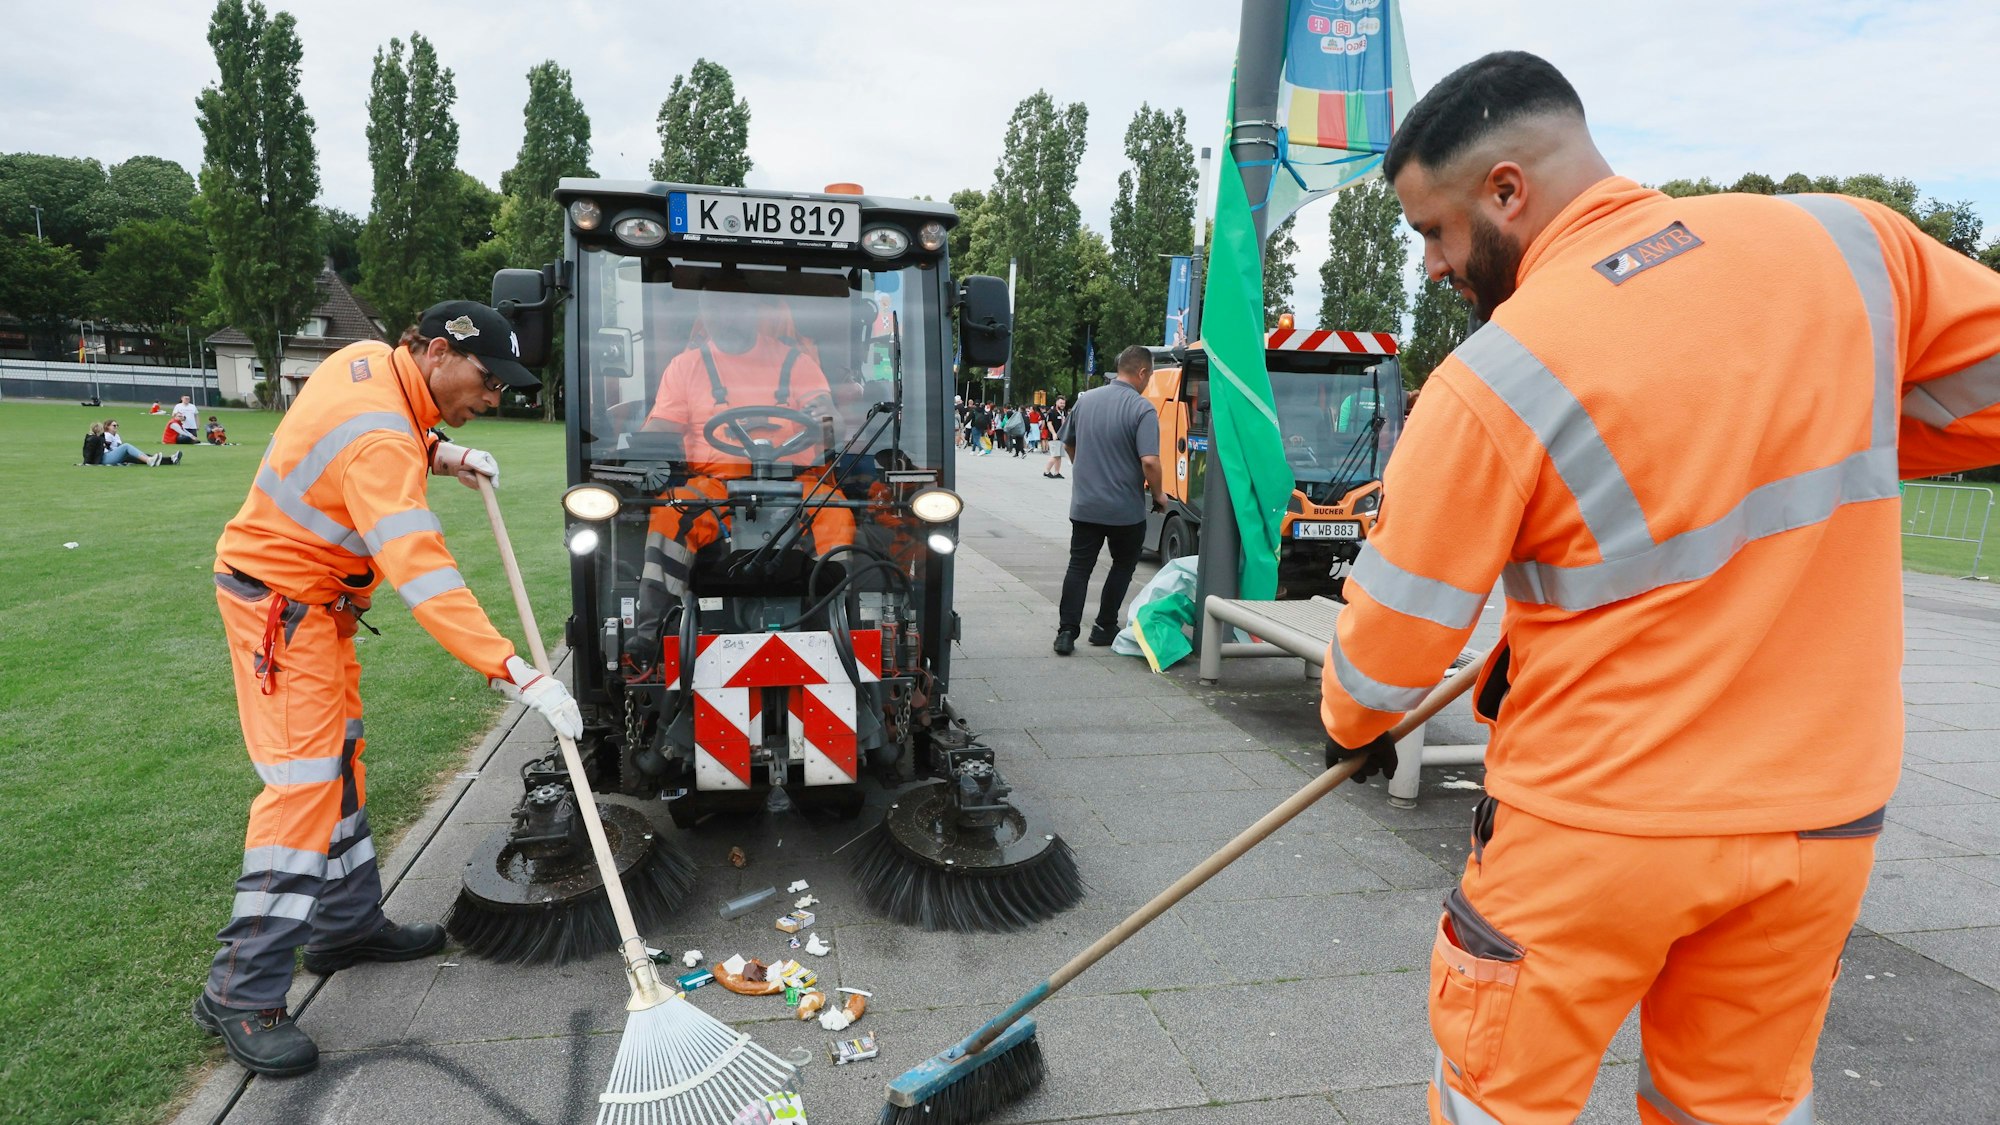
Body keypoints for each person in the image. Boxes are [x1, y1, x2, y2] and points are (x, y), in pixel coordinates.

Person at [1316, 51, 2000, 1125]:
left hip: (1593, 827)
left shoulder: (1496, 373)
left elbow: (1387, 642)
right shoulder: (1850, 244)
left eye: (1433, 232)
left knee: (1502, 1104)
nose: (1437, 266)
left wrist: (1352, 723)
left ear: (1505, 189)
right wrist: (1820, 415)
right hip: (1813, 826)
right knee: (1733, 1109)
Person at [194, 300, 578, 1078]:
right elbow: (425, 577)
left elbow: (372, 423)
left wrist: (442, 451)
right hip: (284, 606)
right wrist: (515, 669)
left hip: (313, 606)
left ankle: (345, 923)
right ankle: (241, 990)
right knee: (302, 788)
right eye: (487, 379)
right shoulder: (380, 443)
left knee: (342, 761)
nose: (495, 397)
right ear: (437, 351)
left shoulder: (367, 362)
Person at [626, 286, 856, 661]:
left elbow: (828, 416)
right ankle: (653, 633)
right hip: (715, 488)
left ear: (753, 308)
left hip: (796, 483)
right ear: (702, 308)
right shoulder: (685, 366)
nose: (722, 313)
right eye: (712, 304)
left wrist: (827, 418)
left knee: (834, 513)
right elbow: (663, 427)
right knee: (671, 512)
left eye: (732, 304)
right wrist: (630, 448)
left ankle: (839, 625)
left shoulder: (795, 361)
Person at [1053, 345, 1161, 654]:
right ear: (1141, 372)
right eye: (1150, 375)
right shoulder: (1142, 409)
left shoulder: (1086, 401)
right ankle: (1104, 626)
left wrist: (1084, 469)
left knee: (1079, 567)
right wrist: (1159, 494)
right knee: (1123, 564)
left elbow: (1068, 442)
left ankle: (1066, 633)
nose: (1149, 381)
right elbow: (1150, 461)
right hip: (1124, 509)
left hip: (1085, 505)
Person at [101, 418, 177, 466]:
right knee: (126, 446)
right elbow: (106, 449)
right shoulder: (107, 435)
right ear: (107, 426)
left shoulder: (116, 435)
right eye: (114, 425)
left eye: (117, 425)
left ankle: (170, 460)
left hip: (117, 456)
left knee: (142, 457)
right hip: (107, 457)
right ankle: (149, 460)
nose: (116, 427)